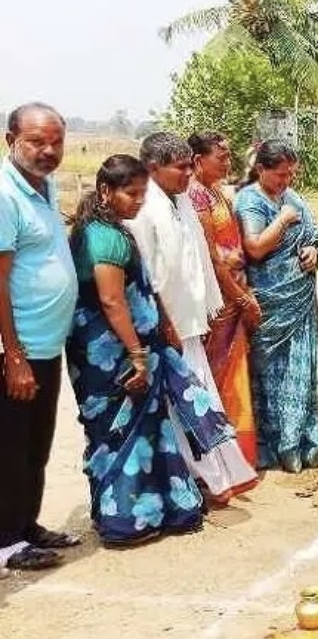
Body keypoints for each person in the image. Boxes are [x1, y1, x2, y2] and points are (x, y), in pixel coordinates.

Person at [67, 155, 235, 546]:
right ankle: (124, 522)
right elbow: (112, 301)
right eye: (131, 193)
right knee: (120, 435)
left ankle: (161, 509)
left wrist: (164, 326)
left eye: (143, 193)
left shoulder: (115, 228)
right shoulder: (102, 237)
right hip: (111, 356)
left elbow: (143, 288)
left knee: (150, 429)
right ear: (106, 191)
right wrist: (138, 354)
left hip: (136, 347)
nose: (139, 201)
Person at [127, 132, 257, 504]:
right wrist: (163, 320)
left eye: (189, 166)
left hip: (190, 321)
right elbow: (146, 275)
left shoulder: (182, 202)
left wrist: (206, 309)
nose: (188, 173)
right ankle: (202, 479)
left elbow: (200, 260)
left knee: (198, 400)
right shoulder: (143, 210)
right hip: (163, 325)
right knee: (181, 406)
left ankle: (216, 475)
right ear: (153, 168)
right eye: (180, 167)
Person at [0, 103, 79, 570]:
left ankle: (25, 524)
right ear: (11, 140)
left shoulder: (45, 186)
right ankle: (6, 541)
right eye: (36, 142)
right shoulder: (5, 195)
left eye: (56, 142)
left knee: (36, 445)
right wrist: (13, 355)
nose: (48, 151)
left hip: (46, 345)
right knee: (10, 447)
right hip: (19, 348)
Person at [235, 140, 318, 473]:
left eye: (291, 174)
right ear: (261, 169)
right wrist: (284, 220)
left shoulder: (293, 197)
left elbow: (316, 234)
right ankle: (276, 445)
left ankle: (301, 441)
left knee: (299, 373)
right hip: (270, 304)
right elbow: (255, 247)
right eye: (280, 174)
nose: (286, 181)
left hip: (300, 301)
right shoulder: (250, 200)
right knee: (271, 376)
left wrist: (314, 251)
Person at [187, 132, 261, 467]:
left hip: (234, 294)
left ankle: (235, 454)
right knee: (213, 378)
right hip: (218, 300)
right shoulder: (196, 195)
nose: (228, 163)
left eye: (229, 156)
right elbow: (212, 259)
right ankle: (214, 457)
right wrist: (242, 299)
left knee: (232, 375)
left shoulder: (216, 191)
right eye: (221, 157)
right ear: (198, 160)